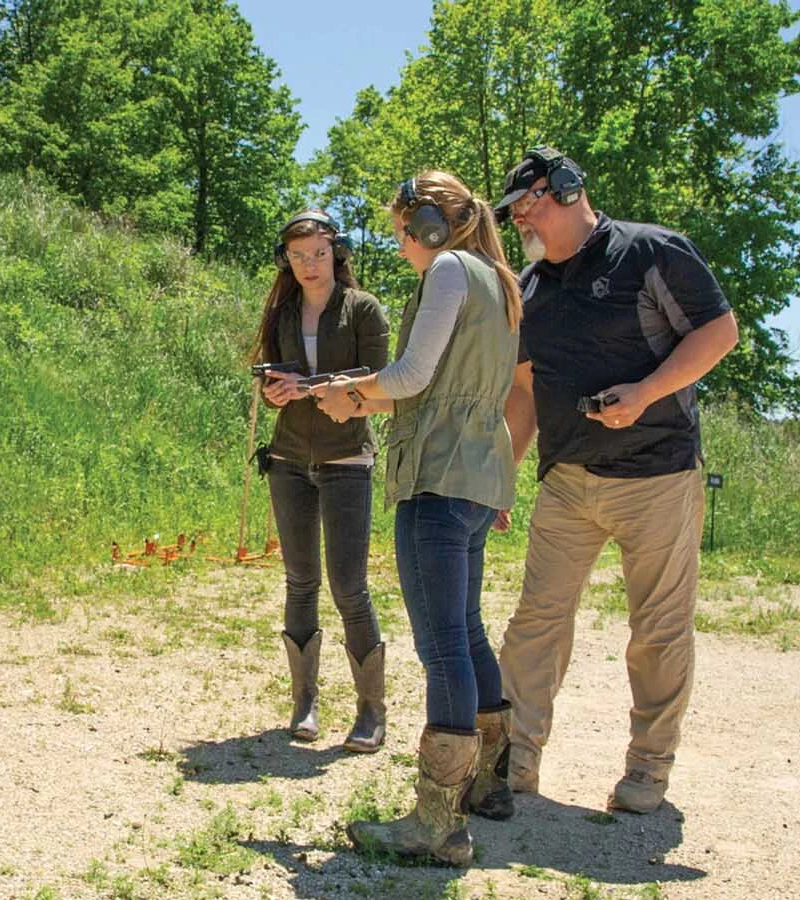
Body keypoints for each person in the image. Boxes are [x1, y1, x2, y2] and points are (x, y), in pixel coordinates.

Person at [490, 146, 739, 814]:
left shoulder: (652, 252)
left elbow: (720, 332)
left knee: (657, 630)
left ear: (569, 188)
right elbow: (523, 393)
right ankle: (512, 763)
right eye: (512, 212)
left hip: (657, 476)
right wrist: (500, 478)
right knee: (535, 625)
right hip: (567, 481)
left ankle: (648, 771)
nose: (520, 220)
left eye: (528, 204)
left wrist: (649, 390)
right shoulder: (531, 288)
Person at [311, 171, 522, 866]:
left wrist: (346, 388)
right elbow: (438, 391)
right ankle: (489, 786)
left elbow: (408, 376)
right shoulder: (496, 276)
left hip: (438, 477)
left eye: (402, 230)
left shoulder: (451, 271)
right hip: (476, 474)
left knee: (442, 648)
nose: (399, 243)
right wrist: (355, 400)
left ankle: (437, 824)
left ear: (429, 224)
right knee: (465, 629)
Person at [252, 209, 391, 753]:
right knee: (300, 580)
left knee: (349, 586)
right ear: (286, 260)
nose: (309, 264)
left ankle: (371, 711)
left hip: (346, 459)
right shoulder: (282, 311)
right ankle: (304, 703)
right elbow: (273, 378)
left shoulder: (364, 309)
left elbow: (376, 384)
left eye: (317, 253)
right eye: (297, 255)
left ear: (337, 252)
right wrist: (274, 391)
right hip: (287, 458)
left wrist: (305, 387)